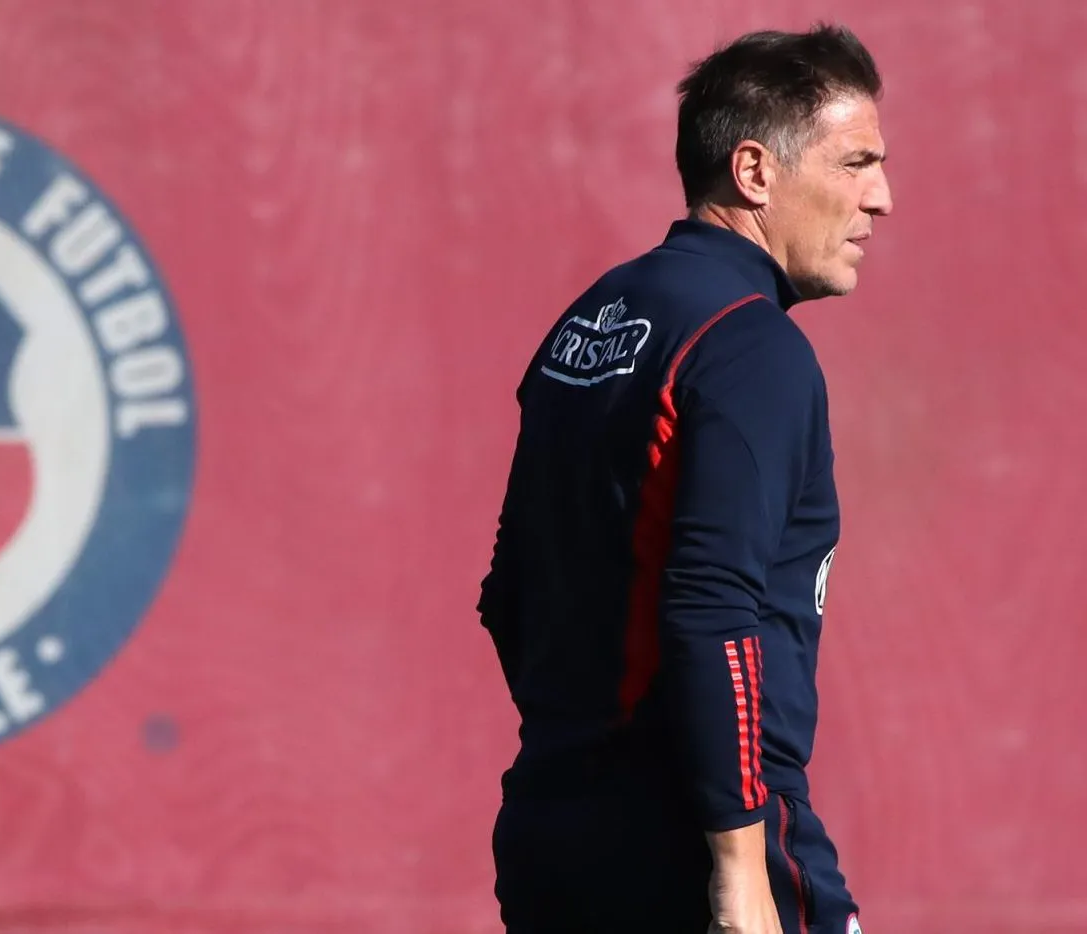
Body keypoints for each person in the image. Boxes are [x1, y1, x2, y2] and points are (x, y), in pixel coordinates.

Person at [477, 22, 892, 934]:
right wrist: (741, 871)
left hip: (553, 826)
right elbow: (712, 605)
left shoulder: (593, 317)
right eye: (856, 162)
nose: (881, 199)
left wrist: (584, 757)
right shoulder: (751, 347)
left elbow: (511, 591)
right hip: (699, 847)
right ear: (754, 172)